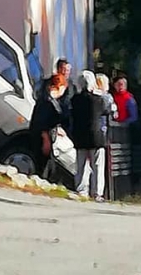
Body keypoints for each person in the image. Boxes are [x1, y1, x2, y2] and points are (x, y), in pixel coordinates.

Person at [70, 71, 111, 201]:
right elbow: (108, 110)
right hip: (96, 137)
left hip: (80, 136)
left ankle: (81, 190)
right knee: (98, 166)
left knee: (81, 165)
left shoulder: (75, 100)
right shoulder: (98, 100)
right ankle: (97, 192)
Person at [29, 73, 67, 179]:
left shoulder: (48, 99)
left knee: (47, 164)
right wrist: (46, 139)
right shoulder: (47, 102)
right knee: (43, 164)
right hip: (42, 137)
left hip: (46, 135)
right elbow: (42, 123)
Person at [40, 58, 74, 131]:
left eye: (68, 70)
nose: (66, 72)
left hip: (65, 119)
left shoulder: (71, 85)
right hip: (50, 119)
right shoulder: (48, 83)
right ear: (58, 69)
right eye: (64, 69)